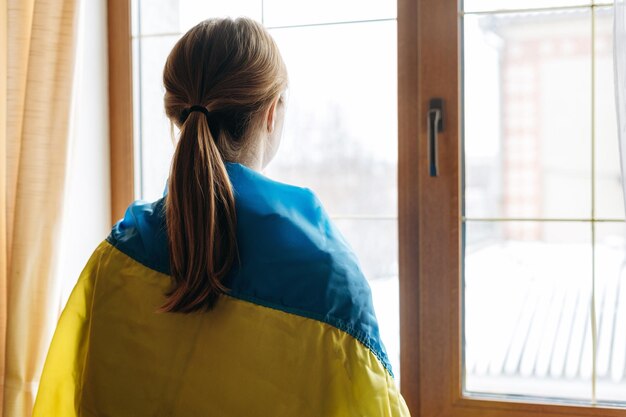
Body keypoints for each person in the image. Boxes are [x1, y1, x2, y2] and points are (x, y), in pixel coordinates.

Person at [32, 17, 409, 417]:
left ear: (175, 113)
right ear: (270, 113)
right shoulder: (328, 284)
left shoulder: (114, 260)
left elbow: (63, 399)